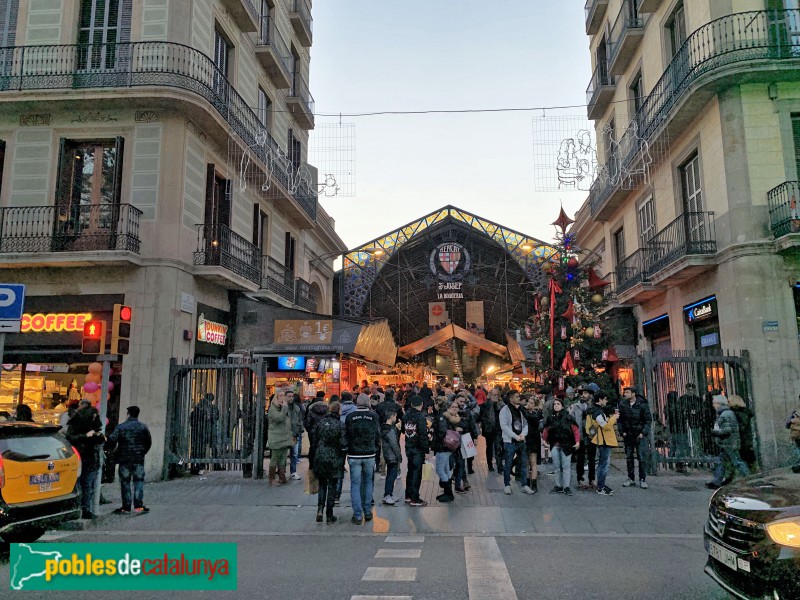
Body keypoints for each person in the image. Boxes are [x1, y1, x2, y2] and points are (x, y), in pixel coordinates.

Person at [343, 394, 381, 524]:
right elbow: (377, 434)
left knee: (355, 484)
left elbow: (346, 434)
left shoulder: (350, 417)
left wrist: (347, 449)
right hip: (369, 454)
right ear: (368, 402)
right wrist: (375, 448)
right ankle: (368, 511)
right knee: (368, 483)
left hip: (354, 454)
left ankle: (358, 515)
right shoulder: (374, 416)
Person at [107, 405, 152, 515]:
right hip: (138, 459)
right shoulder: (143, 427)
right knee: (138, 481)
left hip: (124, 458)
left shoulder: (121, 427)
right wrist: (142, 452)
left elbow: (112, 440)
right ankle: (138, 505)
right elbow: (148, 442)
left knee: (125, 482)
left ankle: (126, 506)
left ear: (128, 414)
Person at [66, 400, 106, 519]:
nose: (94, 418)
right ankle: (79, 509)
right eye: (92, 416)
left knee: (88, 485)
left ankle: (86, 509)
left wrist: (99, 437)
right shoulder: (76, 426)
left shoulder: (94, 426)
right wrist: (86, 436)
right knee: (81, 485)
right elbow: (70, 438)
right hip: (81, 458)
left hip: (91, 459)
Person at [707, 395, 749, 489]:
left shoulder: (726, 414)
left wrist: (715, 432)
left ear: (720, 403)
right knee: (721, 462)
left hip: (729, 443)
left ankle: (748, 478)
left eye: (714, 403)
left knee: (737, 462)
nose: (713, 405)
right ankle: (716, 482)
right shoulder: (724, 413)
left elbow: (728, 429)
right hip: (726, 443)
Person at [312, 401, 344, 523]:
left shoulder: (321, 423)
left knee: (322, 484)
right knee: (332, 485)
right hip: (334, 456)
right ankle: (329, 514)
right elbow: (343, 443)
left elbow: (314, 439)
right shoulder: (340, 425)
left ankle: (320, 509)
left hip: (321, 455)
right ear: (339, 411)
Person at [499, 391, 535, 495]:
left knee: (523, 463)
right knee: (508, 463)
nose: (519, 398)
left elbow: (526, 424)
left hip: (521, 441)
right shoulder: (504, 410)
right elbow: (504, 426)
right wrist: (515, 436)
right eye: (517, 396)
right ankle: (507, 485)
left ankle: (524, 485)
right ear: (511, 399)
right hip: (510, 441)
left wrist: (523, 434)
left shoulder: (521, 410)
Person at [542, 398, 580, 496]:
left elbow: (575, 429)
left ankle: (566, 486)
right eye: (555, 404)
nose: (556, 405)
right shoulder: (551, 418)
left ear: (562, 406)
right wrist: (544, 440)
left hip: (566, 444)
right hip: (555, 444)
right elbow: (546, 429)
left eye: (558, 404)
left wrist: (577, 441)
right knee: (557, 467)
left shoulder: (568, 417)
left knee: (566, 466)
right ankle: (558, 486)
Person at [619, 387, 652, 489]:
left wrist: (643, 432)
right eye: (625, 392)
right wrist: (622, 431)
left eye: (627, 392)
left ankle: (642, 479)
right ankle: (631, 478)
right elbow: (620, 419)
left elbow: (648, 420)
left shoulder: (642, 405)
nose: (625, 394)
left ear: (633, 394)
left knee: (641, 457)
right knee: (629, 457)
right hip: (628, 434)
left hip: (639, 434)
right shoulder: (623, 404)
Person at [587, 393, 618, 496]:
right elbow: (605, 426)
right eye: (605, 399)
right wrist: (614, 417)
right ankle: (601, 487)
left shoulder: (596, 410)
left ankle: (601, 485)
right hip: (604, 440)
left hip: (602, 440)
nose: (606, 401)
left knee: (602, 464)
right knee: (604, 464)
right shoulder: (598, 412)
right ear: (600, 399)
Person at [402, 395, 429, 506]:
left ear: (411, 404)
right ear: (421, 404)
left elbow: (403, 430)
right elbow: (423, 435)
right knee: (417, 473)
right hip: (418, 448)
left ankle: (408, 495)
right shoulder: (421, 417)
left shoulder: (406, 416)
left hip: (408, 447)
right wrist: (426, 450)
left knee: (410, 471)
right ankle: (415, 498)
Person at [432, 398, 460, 503]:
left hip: (442, 447)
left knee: (440, 470)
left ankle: (448, 493)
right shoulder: (449, 417)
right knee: (446, 469)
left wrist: (435, 441)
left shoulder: (442, 417)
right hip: (448, 447)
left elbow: (442, 432)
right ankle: (447, 492)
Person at [267, 389, 293, 485]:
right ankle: (271, 478)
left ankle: (282, 477)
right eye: (280, 396)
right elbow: (279, 418)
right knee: (275, 457)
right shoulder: (273, 409)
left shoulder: (283, 408)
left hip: (284, 437)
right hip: (276, 437)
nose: (283, 398)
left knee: (283, 458)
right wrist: (284, 409)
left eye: (283, 396)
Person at [190, 393, 219, 475]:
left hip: (198, 431)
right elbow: (215, 418)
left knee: (197, 449)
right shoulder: (211, 408)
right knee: (207, 448)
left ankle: (195, 466)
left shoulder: (198, 407)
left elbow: (192, 420)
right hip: (206, 431)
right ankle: (211, 465)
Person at [570, 386, 592, 490]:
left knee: (592, 458)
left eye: (586, 393)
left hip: (591, 436)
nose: (583, 395)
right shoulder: (576, 406)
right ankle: (580, 479)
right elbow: (571, 419)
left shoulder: (592, 406)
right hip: (580, 436)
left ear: (590, 395)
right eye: (582, 393)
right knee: (580, 459)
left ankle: (592, 479)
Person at [728, 395, 756, 469]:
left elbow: (742, 426)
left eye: (729, 401)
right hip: (745, 440)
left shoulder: (738, 413)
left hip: (742, 440)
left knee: (744, 459)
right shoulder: (744, 412)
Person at [480, 387, 504, 472]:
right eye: (494, 395)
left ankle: (499, 466)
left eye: (497, 395)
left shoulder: (501, 405)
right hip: (489, 430)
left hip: (498, 429)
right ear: (489, 395)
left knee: (498, 447)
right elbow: (481, 417)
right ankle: (490, 464)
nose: (496, 397)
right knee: (489, 447)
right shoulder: (484, 405)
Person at [380, 412, 402, 505]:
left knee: (390, 475)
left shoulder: (383, 428)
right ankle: (388, 495)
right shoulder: (391, 430)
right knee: (391, 476)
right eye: (395, 416)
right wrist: (399, 455)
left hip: (387, 454)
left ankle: (389, 494)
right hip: (392, 456)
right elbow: (394, 444)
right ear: (392, 416)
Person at [304, 394, 329, 472]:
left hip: (313, 432)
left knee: (313, 448)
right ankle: (323, 465)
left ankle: (312, 465)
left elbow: (307, 422)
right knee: (324, 448)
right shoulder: (327, 410)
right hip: (324, 432)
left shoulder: (311, 411)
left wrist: (310, 430)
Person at [522, 395, 542, 493]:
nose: (529, 404)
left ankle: (534, 484)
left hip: (533, 439)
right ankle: (527, 482)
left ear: (535, 405)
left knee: (533, 462)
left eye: (531, 403)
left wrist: (524, 408)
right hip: (525, 438)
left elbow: (530, 418)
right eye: (528, 402)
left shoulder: (535, 415)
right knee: (526, 462)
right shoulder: (525, 412)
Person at [288, 392, 304, 481]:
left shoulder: (296, 408)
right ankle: (281, 472)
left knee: (294, 453)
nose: (291, 398)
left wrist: (300, 429)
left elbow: (300, 419)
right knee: (283, 454)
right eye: (289, 396)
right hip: (285, 434)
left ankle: (293, 472)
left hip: (295, 433)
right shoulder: (283, 408)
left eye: (292, 396)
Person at [787, 403, 800, 473]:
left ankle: (796, 468)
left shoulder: (794, 414)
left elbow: (787, 425)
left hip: (796, 438)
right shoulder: (794, 413)